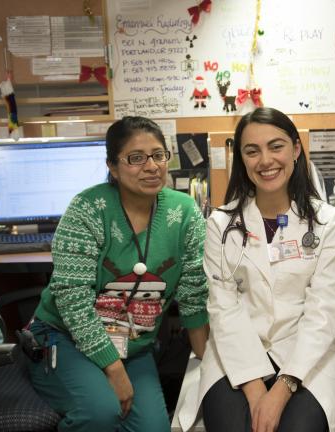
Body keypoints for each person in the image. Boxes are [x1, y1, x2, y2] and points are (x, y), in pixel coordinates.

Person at [27, 116, 209, 431]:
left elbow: (193, 295)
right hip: (68, 338)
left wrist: (209, 364)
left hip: (133, 343)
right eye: (135, 158)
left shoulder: (185, 213)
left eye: (158, 155)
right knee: (101, 413)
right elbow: (73, 300)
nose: (151, 166)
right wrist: (113, 369)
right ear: (113, 166)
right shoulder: (88, 209)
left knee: (153, 427)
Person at [180, 107, 335, 432]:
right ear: (241, 159)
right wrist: (253, 383)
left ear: (296, 149)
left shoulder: (328, 222)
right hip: (237, 349)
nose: (266, 160)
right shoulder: (220, 224)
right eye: (252, 151)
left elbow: (324, 310)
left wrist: (284, 385)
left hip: (306, 351)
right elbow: (223, 308)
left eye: (276, 146)